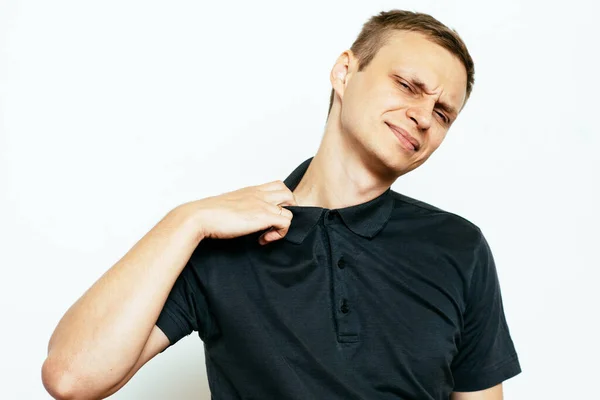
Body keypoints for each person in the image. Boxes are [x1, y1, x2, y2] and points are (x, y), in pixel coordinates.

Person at [42, 9, 521, 400]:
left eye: (442, 113)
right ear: (345, 72)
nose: (421, 116)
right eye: (408, 85)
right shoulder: (221, 240)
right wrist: (186, 220)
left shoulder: (459, 247)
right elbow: (72, 377)